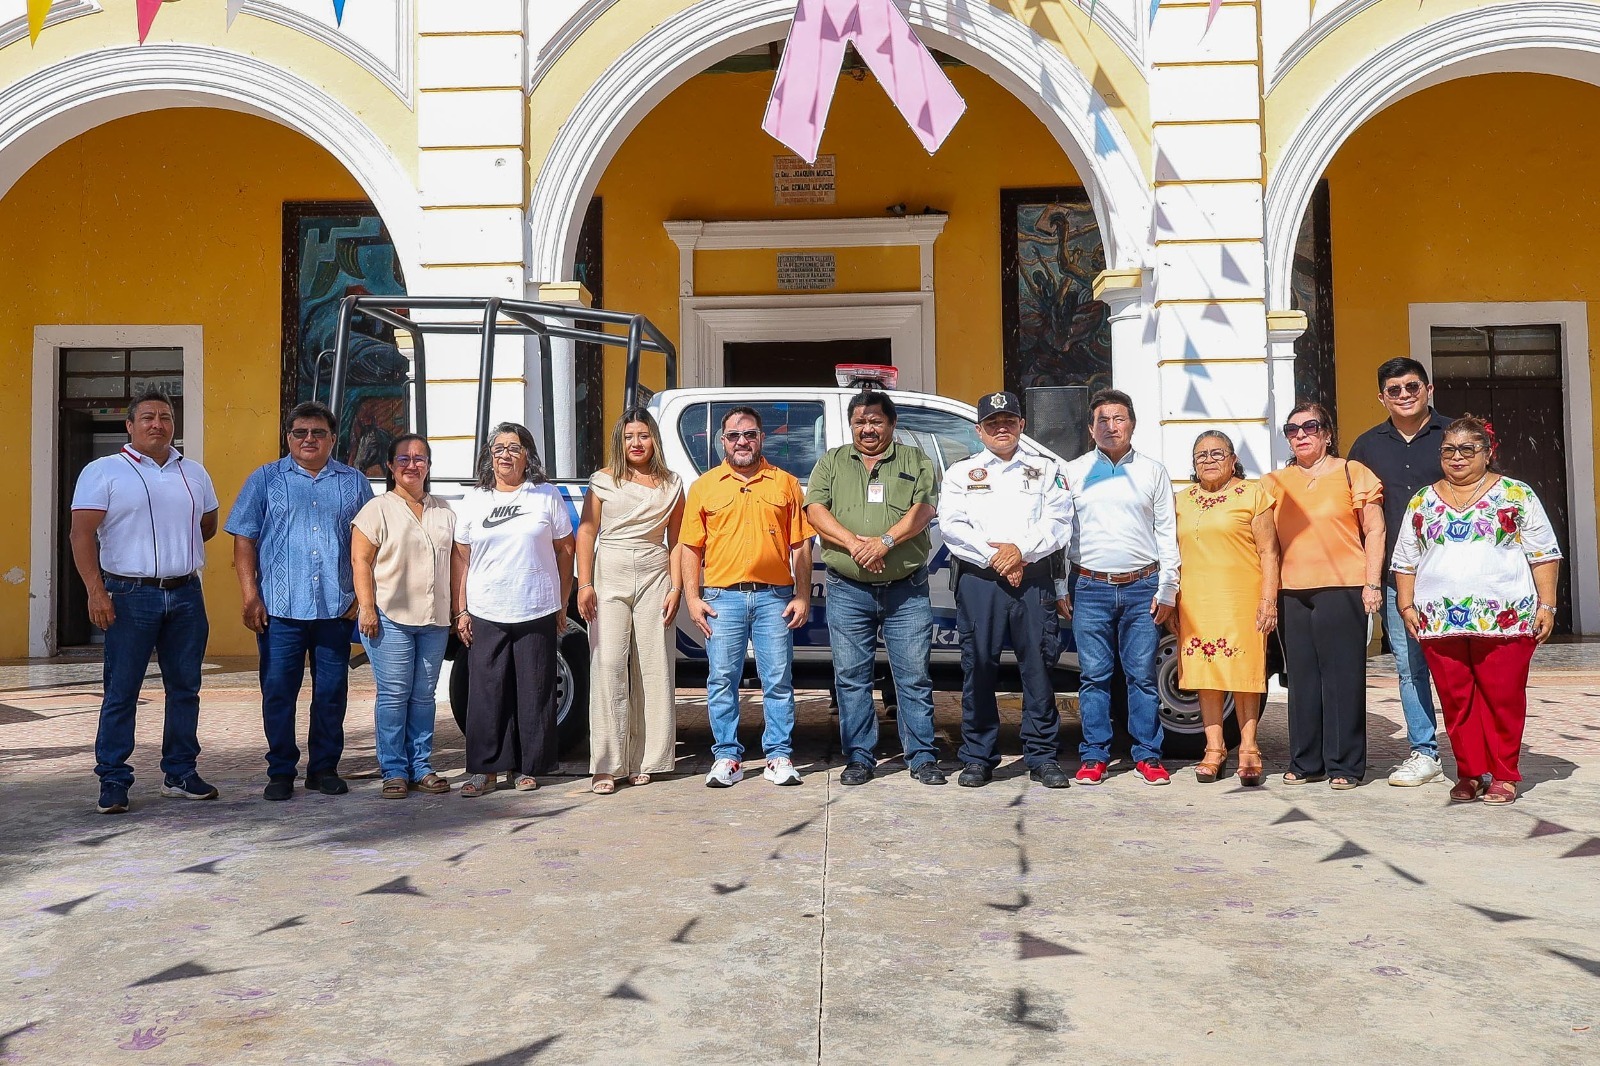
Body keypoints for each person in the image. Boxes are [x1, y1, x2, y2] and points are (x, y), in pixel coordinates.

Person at [1392, 416, 1562, 806]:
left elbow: (1543, 553)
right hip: (1438, 620)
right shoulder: (1422, 499)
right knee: (1456, 701)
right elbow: (1405, 559)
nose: (1457, 457)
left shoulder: (1517, 495)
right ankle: (1469, 772)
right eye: (1449, 449)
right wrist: (1405, 604)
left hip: (1506, 619)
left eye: (1468, 449)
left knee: (1503, 698)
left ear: (1488, 453)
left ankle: (1503, 774)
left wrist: (1547, 604)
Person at [69, 389, 221, 814]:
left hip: (187, 593)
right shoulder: (103, 471)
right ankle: (114, 778)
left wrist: (176, 555)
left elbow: (206, 524)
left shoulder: (193, 472)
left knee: (185, 688)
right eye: (149, 417)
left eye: (166, 417)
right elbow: (81, 535)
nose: (158, 424)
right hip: (129, 595)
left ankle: (180, 772)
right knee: (122, 690)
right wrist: (96, 591)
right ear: (130, 426)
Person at [227, 400, 373, 801]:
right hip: (278, 610)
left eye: (318, 432)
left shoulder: (354, 482)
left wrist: (362, 598)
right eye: (300, 432)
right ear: (288, 437)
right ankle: (281, 771)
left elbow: (369, 544)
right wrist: (250, 595)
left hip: (335, 606)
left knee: (331, 691)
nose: (309, 439)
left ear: (332, 438)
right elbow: (244, 538)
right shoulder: (265, 479)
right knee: (278, 690)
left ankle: (323, 768)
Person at [805, 390, 944, 786]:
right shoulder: (831, 462)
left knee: (913, 676)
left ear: (891, 423)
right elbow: (816, 510)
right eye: (860, 422)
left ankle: (921, 757)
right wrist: (856, 545)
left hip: (906, 589)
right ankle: (860, 758)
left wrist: (883, 543)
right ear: (851, 425)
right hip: (849, 588)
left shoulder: (915, 460)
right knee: (851, 676)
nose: (867, 429)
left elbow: (923, 511)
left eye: (876, 421)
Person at [938, 391, 1074, 789]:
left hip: (1033, 580)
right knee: (978, 668)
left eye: (1009, 421)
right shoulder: (960, 472)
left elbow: (1059, 521)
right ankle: (978, 757)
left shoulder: (1046, 470)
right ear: (979, 430)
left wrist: (1021, 553)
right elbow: (952, 526)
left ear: (1022, 426)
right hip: (980, 581)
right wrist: (998, 558)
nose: (1002, 428)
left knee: (1038, 670)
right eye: (993, 423)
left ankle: (1043, 757)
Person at [680, 406, 815, 788]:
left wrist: (802, 595)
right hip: (722, 599)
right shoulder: (704, 487)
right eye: (734, 435)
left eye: (750, 434)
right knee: (722, 679)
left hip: (775, 597)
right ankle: (727, 757)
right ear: (722, 441)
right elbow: (690, 547)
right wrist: (693, 598)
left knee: (778, 680)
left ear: (762, 438)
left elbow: (801, 545)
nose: (742, 441)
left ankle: (778, 756)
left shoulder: (785, 483)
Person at [1262, 403, 1384, 790]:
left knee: (1342, 677)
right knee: (1301, 678)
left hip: (1342, 586)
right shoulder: (1273, 482)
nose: (1301, 434)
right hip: (1291, 591)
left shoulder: (1353, 473)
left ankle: (1345, 764)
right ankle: (1306, 760)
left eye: (1310, 426)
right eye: (1292, 429)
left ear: (1327, 433)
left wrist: (1372, 583)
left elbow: (1375, 531)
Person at [1063, 389, 1181, 786]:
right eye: (1102, 420)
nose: (1111, 427)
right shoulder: (1073, 471)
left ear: (1132, 424)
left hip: (1141, 589)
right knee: (1093, 677)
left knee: (1142, 677)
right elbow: (1060, 533)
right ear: (1090, 427)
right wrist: (1059, 586)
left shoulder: (1153, 471)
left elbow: (1167, 532)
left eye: (1119, 419)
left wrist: (1168, 587)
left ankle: (1148, 755)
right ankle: (1094, 755)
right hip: (1089, 587)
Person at [451, 423, 575, 797]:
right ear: (490, 457)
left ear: (527, 455)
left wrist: (561, 601)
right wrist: (462, 609)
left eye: (514, 448)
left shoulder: (545, 495)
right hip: (487, 607)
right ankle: (485, 771)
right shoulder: (475, 499)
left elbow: (565, 550)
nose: (505, 454)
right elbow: (462, 557)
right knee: (487, 691)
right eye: (498, 448)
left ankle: (527, 768)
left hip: (535, 605)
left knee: (535, 690)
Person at [1347, 357, 1453, 787]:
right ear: (1382, 397)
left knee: (1459, 666)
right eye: (1395, 390)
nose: (1405, 395)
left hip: (1454, 576)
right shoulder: (1367, 446)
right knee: (1410, 668)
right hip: (1397, 578)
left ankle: (1475, 748)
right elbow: (1354, 512)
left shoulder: (1455, 437)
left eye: (1412, 386)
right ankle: (1424, 751)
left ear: (1428, 389)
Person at [575, 409, 685, 795]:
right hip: (610, 571)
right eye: (628, 437)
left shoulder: (672, 484)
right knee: (608, 664)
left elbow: (678, 541)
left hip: (656, 571)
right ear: (619, 441)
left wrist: (676, 588)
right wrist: (584, 583)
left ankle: (648, 759)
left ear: (655, 439)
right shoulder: (603, 481)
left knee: (653, 665)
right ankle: (607, 764)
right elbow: (587, 532)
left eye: (643, 435)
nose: (636, 443)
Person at [351, 434, 456, 799]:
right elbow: (360, 561)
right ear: (391, 467)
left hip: (434, 620)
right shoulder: (376, 509)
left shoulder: (444, 510)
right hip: (389, 617)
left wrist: (460, 610)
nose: (412, 465)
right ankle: (394, 769)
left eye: (420, 458)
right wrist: (366, 607)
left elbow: (456, 564)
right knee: (395, 695)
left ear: (428, 465)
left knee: (424, 696)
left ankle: (422, 765)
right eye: (404, 459)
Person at [1172, 431, 1279, 786]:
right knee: (1206, 673)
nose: (1208, 459)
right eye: (1200, 454)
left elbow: (1269, 552)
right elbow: (1170, 555)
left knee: (1244, 673)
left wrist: (1268, 600)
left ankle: (1249, 748)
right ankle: (1214, 749)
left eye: (1217, 453)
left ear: (1234, 459)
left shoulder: (1253, 494)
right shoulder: (1180, 500)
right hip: (1195, 600)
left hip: (1243, 598)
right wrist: (1170, 599)